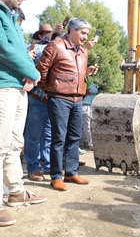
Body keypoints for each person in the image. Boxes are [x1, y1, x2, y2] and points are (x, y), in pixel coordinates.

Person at [0, 0, 47, 227]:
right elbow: (5, 51)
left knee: (14, 142)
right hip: (3, 86)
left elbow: (19, 52)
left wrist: (26, 75)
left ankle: (15, 191)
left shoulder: (11, 18)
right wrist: (33, 72)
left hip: (17, 86)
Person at [36, 17, 98, 192]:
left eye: (87, 33)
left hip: (78, 99)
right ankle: (56, 176)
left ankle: (71, 172)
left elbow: (75, 71)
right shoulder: (56, 46)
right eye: (83, 33)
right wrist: (50, 90)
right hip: (59, 99)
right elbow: (41, 70)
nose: (86, 37)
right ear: (72, 30)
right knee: (58, 138)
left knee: (74, 137)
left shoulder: (83, 51)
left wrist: (87, 71)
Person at [23, 23, 64, 181]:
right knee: (33, 135)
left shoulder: (65, 53)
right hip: (37, 99)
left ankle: (47, 164)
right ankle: (33, 167)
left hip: (52, 101)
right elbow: (29, 66)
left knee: (48, 135)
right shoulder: (38, 51)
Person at [82, 82, 99, 150]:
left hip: (88, 106)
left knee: (86, 127)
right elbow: (95, 90)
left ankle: (90, 143)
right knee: (87, 127)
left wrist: (95, 86)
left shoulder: (89, 82)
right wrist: (94, 87)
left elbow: (96, 87)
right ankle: (91, 144)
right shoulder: (86, 82)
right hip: (85, 106)